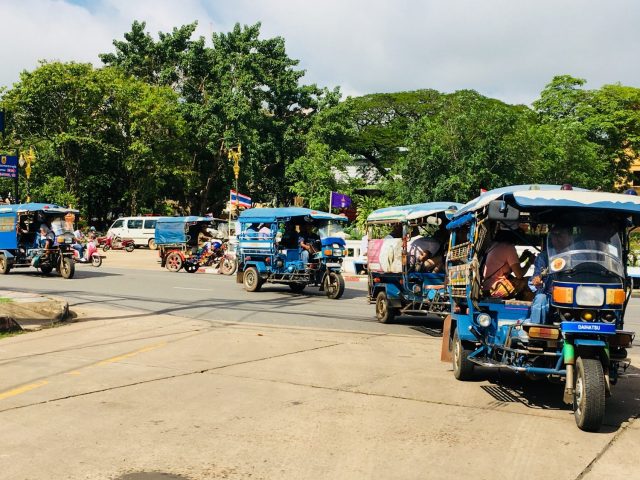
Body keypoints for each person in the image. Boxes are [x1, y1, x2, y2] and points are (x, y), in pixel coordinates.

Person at [482, 229, 534, 299]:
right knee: (529, 281)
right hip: (496, 288)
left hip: (486, 287)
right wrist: (529, 262)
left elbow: (504, 267)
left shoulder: (493, 245)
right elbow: (519, 275)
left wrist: (521, 259)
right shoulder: (509, 247)